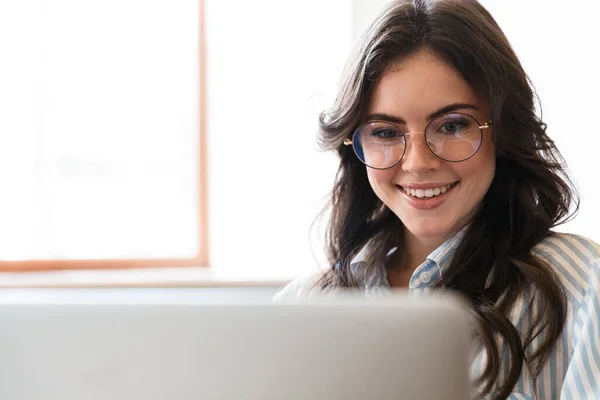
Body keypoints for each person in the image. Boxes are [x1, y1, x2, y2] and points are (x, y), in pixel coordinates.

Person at [274, 0, 600, 399]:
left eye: (452, 125)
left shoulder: (585, 289)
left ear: (502, 131)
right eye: (385, 132)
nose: (418, 163)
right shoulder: (299, 308)